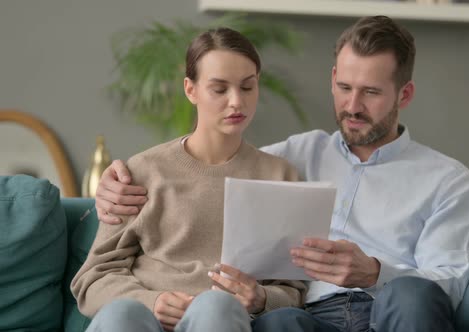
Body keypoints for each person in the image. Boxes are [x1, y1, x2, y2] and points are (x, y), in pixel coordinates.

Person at [94, 16, 469, 332]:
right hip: (310, 317)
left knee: (412, 294)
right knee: (280, 323)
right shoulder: (294, 157)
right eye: (344, 87)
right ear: (332, 80)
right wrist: (114, 183)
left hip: (393, 311)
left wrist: (376, 272)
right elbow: (216, 166)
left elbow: (454, 281)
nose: (352, 105)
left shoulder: (446, 179)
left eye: (371, 92)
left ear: (405, 95)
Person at [71, 27, 306, 332]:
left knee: (216, 306)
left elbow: (294, 289)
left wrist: (261, 297)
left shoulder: (280, 176)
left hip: (223, 320)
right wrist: (151, 301)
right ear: (190, 89)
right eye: (220, 89)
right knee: (122, 316)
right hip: (144, 320)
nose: (236, 102)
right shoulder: (141, 171)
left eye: (247, 87)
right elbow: (92, 280)